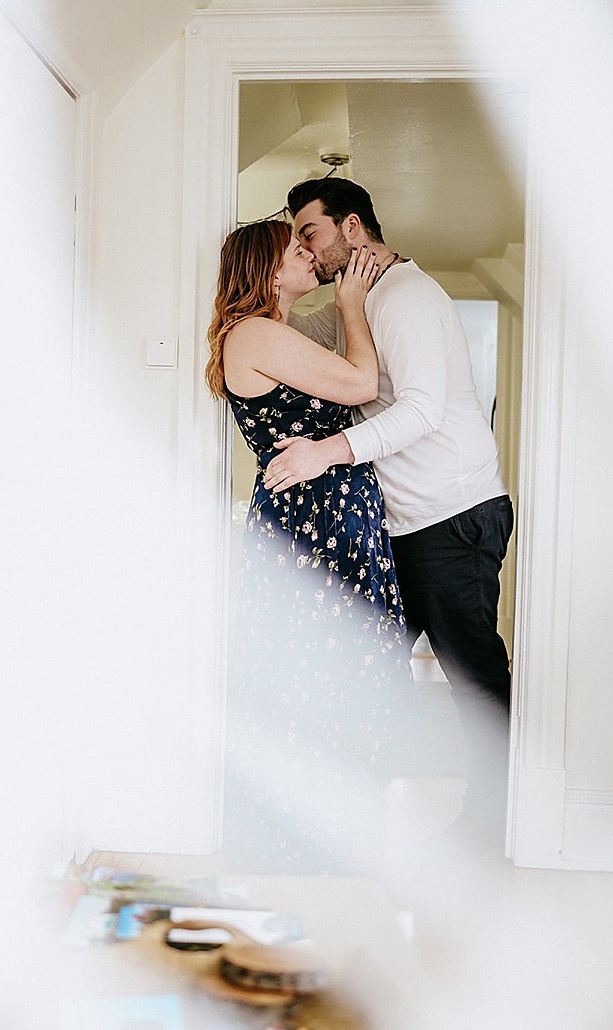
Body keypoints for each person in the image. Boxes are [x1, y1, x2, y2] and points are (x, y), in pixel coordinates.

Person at [264, 177, 514, 850]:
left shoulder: (403, 298)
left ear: (352, 227)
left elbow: (422, 408)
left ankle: (497, 827)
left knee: (471, 678)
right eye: (295, 241)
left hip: (452, 513)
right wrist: (279, 292)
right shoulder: (359, 299)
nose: (305, 250)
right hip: (404, 522)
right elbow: (295, 344)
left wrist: (329, 452)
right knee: (365, 666)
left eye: (310, 234)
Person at [205, 218, 412, 871]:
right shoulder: (257, 333)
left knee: (327, 673)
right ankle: (313, 841)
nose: (309, 256)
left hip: (322, 517)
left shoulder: (275, 333)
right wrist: (350, 305)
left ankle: (332, 830)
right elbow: (360, 385)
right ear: (266, 268)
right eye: (296, 250)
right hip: (313, 524)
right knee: (322, 674)